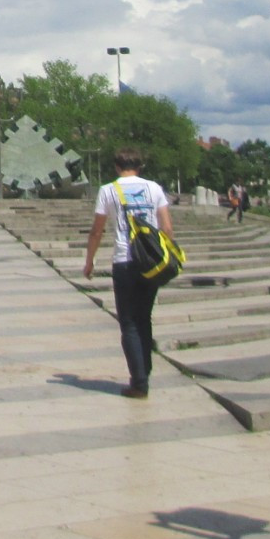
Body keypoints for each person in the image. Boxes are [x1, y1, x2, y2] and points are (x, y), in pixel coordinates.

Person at [81, 148, 175, 399]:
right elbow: (166, 227)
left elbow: (97, 231)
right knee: (145, 318)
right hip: (149, 263)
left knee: (129, 323)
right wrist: (162, 254)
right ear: (140, 165)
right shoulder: (154, 188)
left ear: (116, 166)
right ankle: (145, 371)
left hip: (124, 260)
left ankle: (139, 382)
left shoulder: (108, 190)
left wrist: (89, 261)